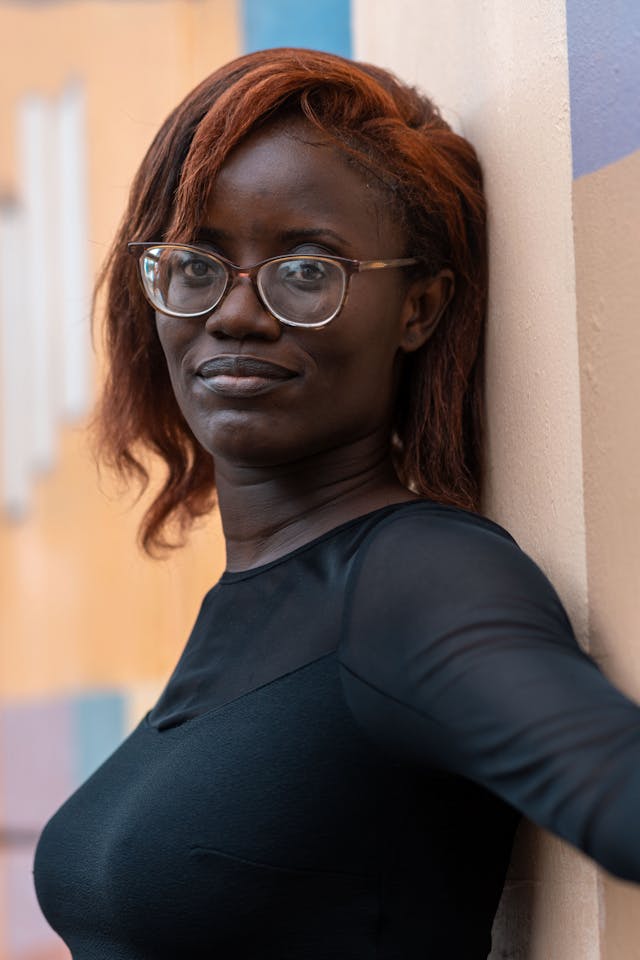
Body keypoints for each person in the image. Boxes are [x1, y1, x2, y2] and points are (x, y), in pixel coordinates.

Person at [34, 48, 640, 959]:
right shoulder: (254, 600)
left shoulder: (417, 579)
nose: (235, 313)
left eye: (307, 269)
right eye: (196, 263)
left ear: (419, 309)